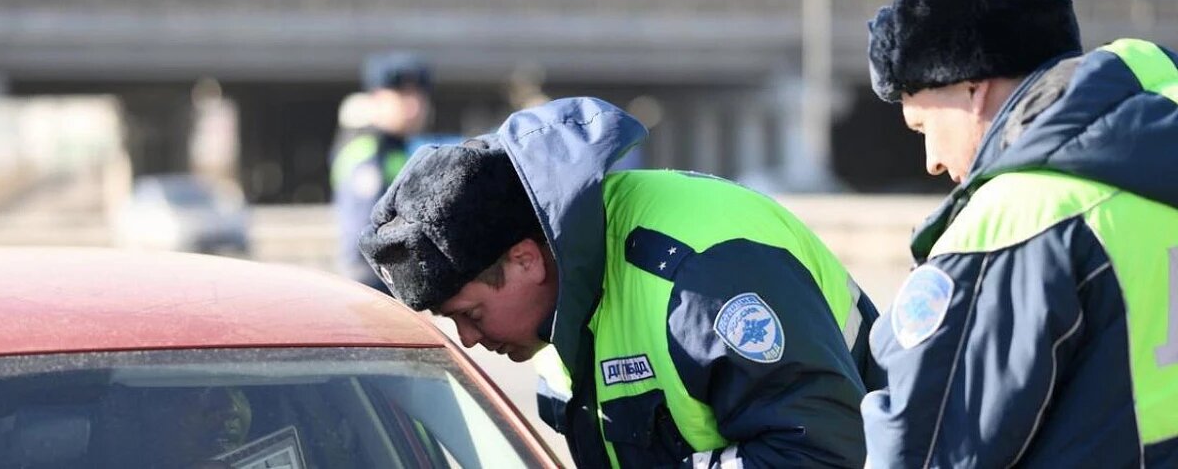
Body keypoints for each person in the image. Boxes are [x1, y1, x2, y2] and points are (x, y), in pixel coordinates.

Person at [359, 96, 884, 468]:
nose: (469, 339)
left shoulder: (701, 280)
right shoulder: (553, 313)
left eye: (469, 314)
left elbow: (822, 452)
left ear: (525, 261)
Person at [861, 0, 1178, 467]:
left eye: (924, 128)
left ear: (972, 88)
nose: (933, 161)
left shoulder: (1018, 222)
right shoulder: (1145, 168)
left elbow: (926, 449)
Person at [330, 52, 432, 291]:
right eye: (402, 96)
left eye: (419, 96)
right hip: (372, 284)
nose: (414, 106)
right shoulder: (366, 151)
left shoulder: (400, 148)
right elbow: (363, 236)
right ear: (376, 99)